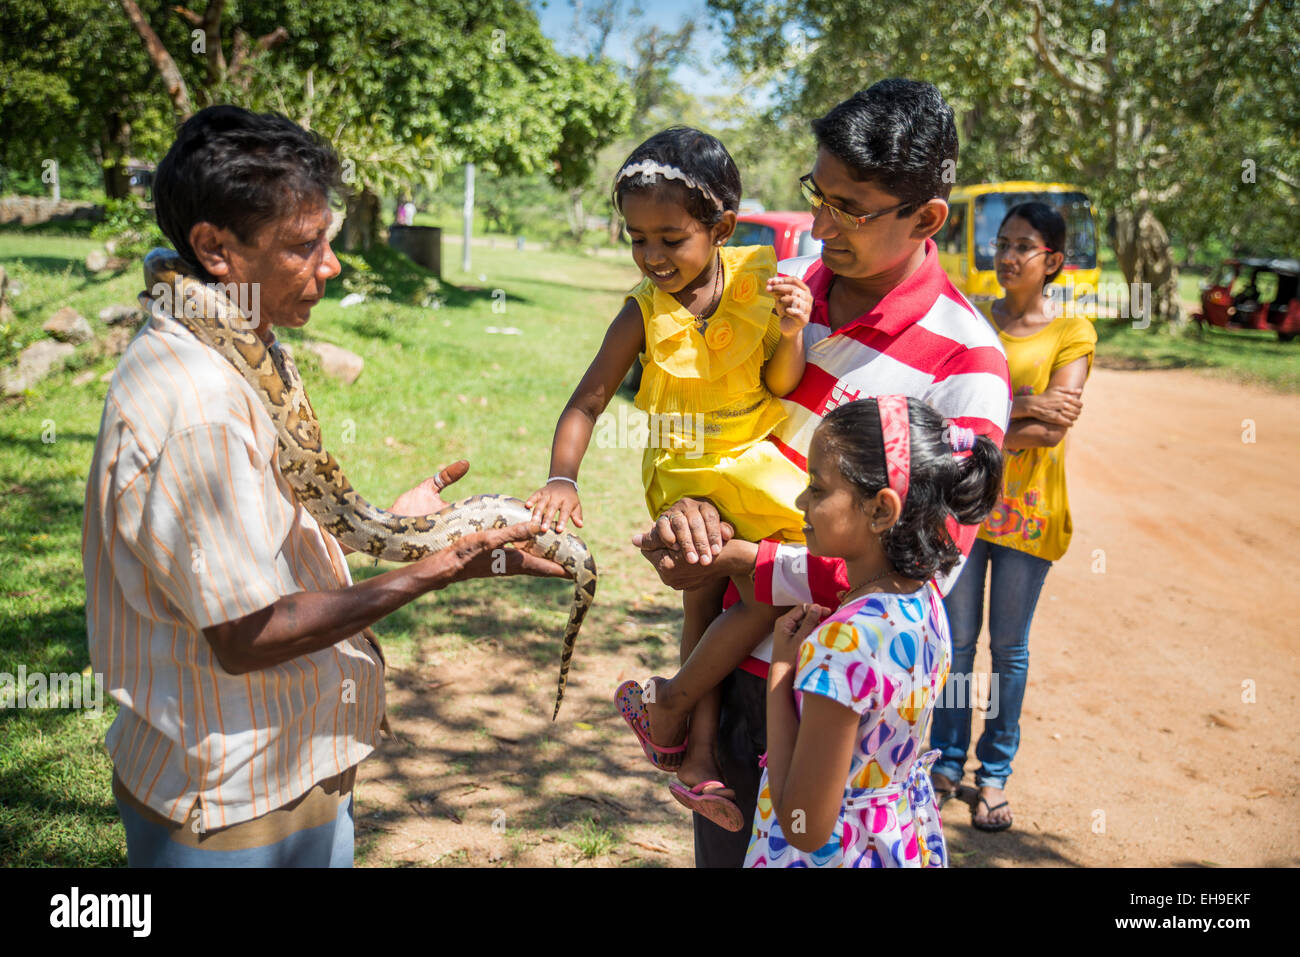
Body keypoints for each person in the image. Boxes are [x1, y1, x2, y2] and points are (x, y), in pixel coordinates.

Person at [82, 105, 566, 867]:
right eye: (305, 246)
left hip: (290, 767)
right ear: (214, 250)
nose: (331, 265)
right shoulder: (197, 404)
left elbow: (260, 531)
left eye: (328, 239)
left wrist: (397, 525)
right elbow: (248, 635)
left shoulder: (246, 346)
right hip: (233, 805)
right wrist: (434, 567)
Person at [631, 79, 1014, 867]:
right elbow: (705, 426)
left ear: (928, 217)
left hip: (830, 702)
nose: (819, 225)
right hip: (735, 685)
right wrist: (690, 517)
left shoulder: (966, 365)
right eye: (819, 194)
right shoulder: (775, 293)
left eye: (852, 208)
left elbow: (924, 570)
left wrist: (755, 563)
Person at [525, 127, 813, 829]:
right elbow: (587, 400)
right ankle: (699, 754)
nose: (652, 256)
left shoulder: (758, 285)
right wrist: (562, 478)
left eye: (670, 238)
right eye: (637, 238)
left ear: (721, 228)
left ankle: (674, 711)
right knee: (701, 597)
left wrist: (794, 329)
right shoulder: (642, 313)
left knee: (767, 587)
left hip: (757, 463)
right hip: (684, 474)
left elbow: (781, 380)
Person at [748, 395, 1003, 866]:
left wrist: (781, 672)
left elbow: (803, 825)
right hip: (893, 841)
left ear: (881, 510)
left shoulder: (842, 642)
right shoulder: (924, 602)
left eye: (818, 488)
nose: (801, 501)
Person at [928, 201, 1096, 832]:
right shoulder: (970, 317)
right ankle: (945, 763)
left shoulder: (1073, 333)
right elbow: (946, 416)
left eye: (1022, 246)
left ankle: (994, 773)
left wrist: (993, 417)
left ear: (1052, 260)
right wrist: (1027, 404)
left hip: (1031, 519)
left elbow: (1052, 430)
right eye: (1001, 244)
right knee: (957, 647)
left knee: (1010, 650)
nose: (1005, 257)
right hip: (967, 510)